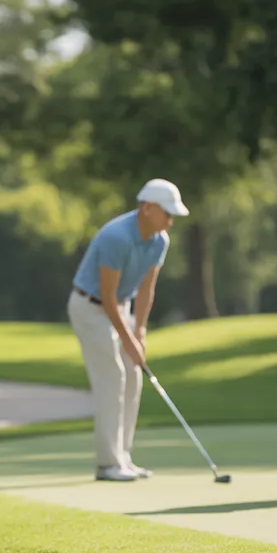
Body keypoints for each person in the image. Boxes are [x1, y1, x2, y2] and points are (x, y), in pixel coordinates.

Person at [69, 179, 188, 482]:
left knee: (134, 375)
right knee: (113, 375)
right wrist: (127, 337)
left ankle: (123, 457)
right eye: (167, 213)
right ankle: (107, 464)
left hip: (120, 307)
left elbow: (147, 289)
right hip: (90, 306)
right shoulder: (116, 237)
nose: (171, 221)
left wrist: (141, 331)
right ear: (147, 209)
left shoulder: (160, 240)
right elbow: (107, 296)